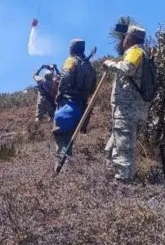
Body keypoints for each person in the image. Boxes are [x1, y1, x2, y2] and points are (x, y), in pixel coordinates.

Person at [102, 25, 150, 183]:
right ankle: (105, 185)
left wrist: (110, 64)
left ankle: (123, 188)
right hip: (134, 111)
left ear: (128, 39)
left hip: (127, 112)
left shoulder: (135, 51)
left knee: (123, 153)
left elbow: (127, 67)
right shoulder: (144, 54)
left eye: (124, 38)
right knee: (110, 150)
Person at [52, 39, 97, 170]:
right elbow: (93, 88)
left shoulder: (71, 61)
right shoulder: (90, 66)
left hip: (68, 106)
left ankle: (63, 174)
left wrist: (59, 95)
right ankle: (70, 172)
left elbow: (64, 78)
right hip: (82, 109)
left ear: (72, 49)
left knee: (61, 140)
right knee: (70, 140)